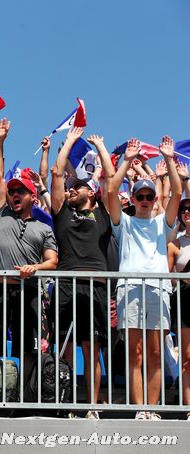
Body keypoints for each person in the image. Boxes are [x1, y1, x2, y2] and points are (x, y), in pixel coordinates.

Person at [107, 136, 181, 420]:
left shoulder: (162, 223)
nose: (147, 200)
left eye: (150, 196)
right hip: (130, 288)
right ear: (134, 199)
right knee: (135, 353)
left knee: (154, 353)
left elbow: (175, 192)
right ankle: (140, 408)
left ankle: (153, 407)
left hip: (158, 289)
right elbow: (111, 191)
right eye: (141, 196)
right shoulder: (123, 222)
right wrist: (126, 161)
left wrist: (169, 159)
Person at [0, 118, 58, 392]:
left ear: (32, 198)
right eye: (12, 190)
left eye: (20, 191)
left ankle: (24, 395)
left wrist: (35, 267)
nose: (13, 193)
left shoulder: (43, 227)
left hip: (27, 291)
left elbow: (53, 262)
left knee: (27, 344)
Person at [50, 127, 115, 419]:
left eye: (78, 186)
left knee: (91, 349)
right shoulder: (62, 213)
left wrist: (101, 147)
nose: (72, 189)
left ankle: (91, 406)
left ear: (92, 192)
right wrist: (70, 142)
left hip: (96, 288)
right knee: (65, 348)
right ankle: (66, 405)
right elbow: (56, 173)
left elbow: (112, 182)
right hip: (65, 287)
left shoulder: (102, 213)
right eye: (71, 186)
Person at [166, 198, 190, 420]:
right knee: (187, 356)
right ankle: (189, 407)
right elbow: (168, 277)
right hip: (185, 299)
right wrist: (182, 279)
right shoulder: (176, 243)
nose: (188, 212)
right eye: (184, 210)